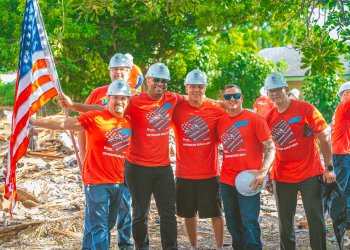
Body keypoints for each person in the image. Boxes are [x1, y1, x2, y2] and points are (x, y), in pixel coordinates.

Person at [30, 80, 132, 249]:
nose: (119, 101)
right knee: (99, 228)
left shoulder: (128, 122)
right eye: (115, 97)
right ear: (108, 98)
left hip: (118, 183)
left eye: (123, 98)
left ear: (128, 101)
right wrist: (35, 122)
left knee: (107, 226)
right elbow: (64, 124)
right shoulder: (95, 118)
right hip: (97, 183)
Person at [60, 53, 134, 250]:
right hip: (98, 169)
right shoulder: (98, 93)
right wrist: (84, 161)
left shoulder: (132, 96)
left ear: (130, 71)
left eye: (123, 68)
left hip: (125, 166)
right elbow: (84, 126)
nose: (119, 72)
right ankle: (90, 246)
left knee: (125, 210)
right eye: (115, 68)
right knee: (95, 215)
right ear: (109, 71)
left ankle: (125, 244)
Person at [264, 72, 336, 250]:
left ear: (286, 89)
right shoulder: (268, 117)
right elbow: (267, 148)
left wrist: (328, 167)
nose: (275, 94)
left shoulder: (305, 108)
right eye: (271, 91)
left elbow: (325, 137)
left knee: (315, 218)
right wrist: (267, 174)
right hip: (281, 176)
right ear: (267, 94)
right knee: (285, 222)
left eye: (278, 90)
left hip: (309, 173)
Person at [124, 62, 184, 249]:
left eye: (164, 81)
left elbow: (195, 97)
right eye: (156, 79)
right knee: (140, 213)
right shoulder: (133, 102)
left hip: (163, 168)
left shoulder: (171, 99)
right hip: (138, 167)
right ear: (147, 80)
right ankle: (142, 247)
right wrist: (74, 106)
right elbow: (106, 113)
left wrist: (224, 103)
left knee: (168, 213)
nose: (160, 83)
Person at [172, 69, 226, 250]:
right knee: (188, 213)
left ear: (205, 88)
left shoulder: (216, 109)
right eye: (193, 86)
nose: (196, 90)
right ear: (186, 88)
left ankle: (219, 247)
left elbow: (230, 124)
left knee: (216, 213)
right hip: (184, 173)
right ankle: (194, 246)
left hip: (209, 173)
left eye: (200, 86)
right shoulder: (177, 109)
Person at [217, 84, 276, 250]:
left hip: (249, 180)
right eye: (228, 97)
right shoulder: (221, 122)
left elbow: (270, 146)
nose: (232, 99)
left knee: (249, 221)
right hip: (227, 180)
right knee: (232, 221)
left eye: (236, 95)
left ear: (242, 98)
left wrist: (263, 172)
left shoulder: (254, 119)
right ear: (223, 100)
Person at [331, 81, 350, 227]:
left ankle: (346, 219)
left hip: (344, 153)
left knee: (346, 188)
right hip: (341, 154)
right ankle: (338, 220)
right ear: (347, 94)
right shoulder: (344, 106)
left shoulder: (344, 111)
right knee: (339, 189)